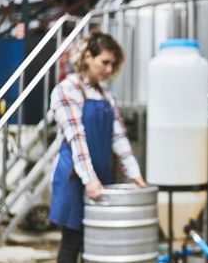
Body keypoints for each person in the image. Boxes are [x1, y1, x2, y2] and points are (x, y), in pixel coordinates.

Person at [49, 32, 148, 262]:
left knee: (97, 240)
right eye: (104, 62)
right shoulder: (67, 90)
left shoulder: (106, 96)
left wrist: (135, 175)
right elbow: (77, 137)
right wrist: (89, 178)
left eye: (112, 64)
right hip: (75, 175)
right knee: (72, 240)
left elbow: (119, 138)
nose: (108, 69)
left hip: (100, 174)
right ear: (87, 57)